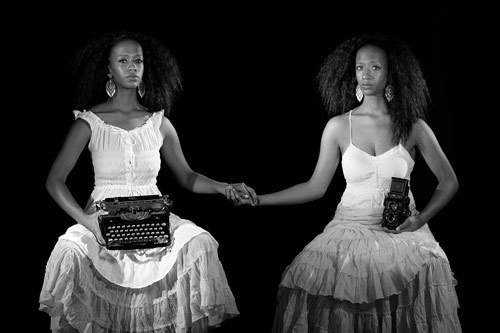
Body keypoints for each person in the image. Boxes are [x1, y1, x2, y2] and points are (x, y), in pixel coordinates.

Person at [238, 33, 462, 332]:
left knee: (426, 273)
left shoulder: (413, 127)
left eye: (375, 67)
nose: (366, 75)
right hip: (348, 227)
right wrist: (260, 199)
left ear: (391, 72)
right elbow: (315, 187)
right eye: (360, 67)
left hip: (401, 233)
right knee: (316, 285)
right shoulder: (338, 126)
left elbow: (449, 182)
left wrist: (420, 219)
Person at [39, 31, 255, 332]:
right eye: (123, 61)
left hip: (153, 213)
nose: (132, 67)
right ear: (108, 70)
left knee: (200, 242)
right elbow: (55, 181)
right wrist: (87, 222)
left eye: (137, 60)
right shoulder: (88, 122)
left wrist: (224, 186)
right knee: (69, 251)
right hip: (103, 218)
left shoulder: (159, 123)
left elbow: (187, 176)